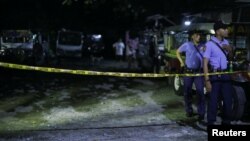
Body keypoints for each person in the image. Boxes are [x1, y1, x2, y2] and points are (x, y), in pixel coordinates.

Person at [203, 21, 233, 125]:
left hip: (225, 75)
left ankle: (226, 122)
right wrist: (207, 81)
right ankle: (211, 122)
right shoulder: (209, 44)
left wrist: (230, 51)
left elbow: (230, 58)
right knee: (213, 101)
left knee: (228, 101)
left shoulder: (227, 42)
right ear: (217, 31)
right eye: (224, 29)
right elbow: (205, 63)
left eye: (226, 28)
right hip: (214, 76)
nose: (226, 30)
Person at [176, 30, 206, 122]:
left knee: (200, 92)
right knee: (187, 92)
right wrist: (181, 62)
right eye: (197, 35)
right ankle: (189, 110)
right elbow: (178, 52)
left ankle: (201, 113)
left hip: (199, 72)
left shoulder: (203, 46)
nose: (199, 37)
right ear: (192, 36)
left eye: (200, 35)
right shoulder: (187, 45)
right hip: (188, 72)